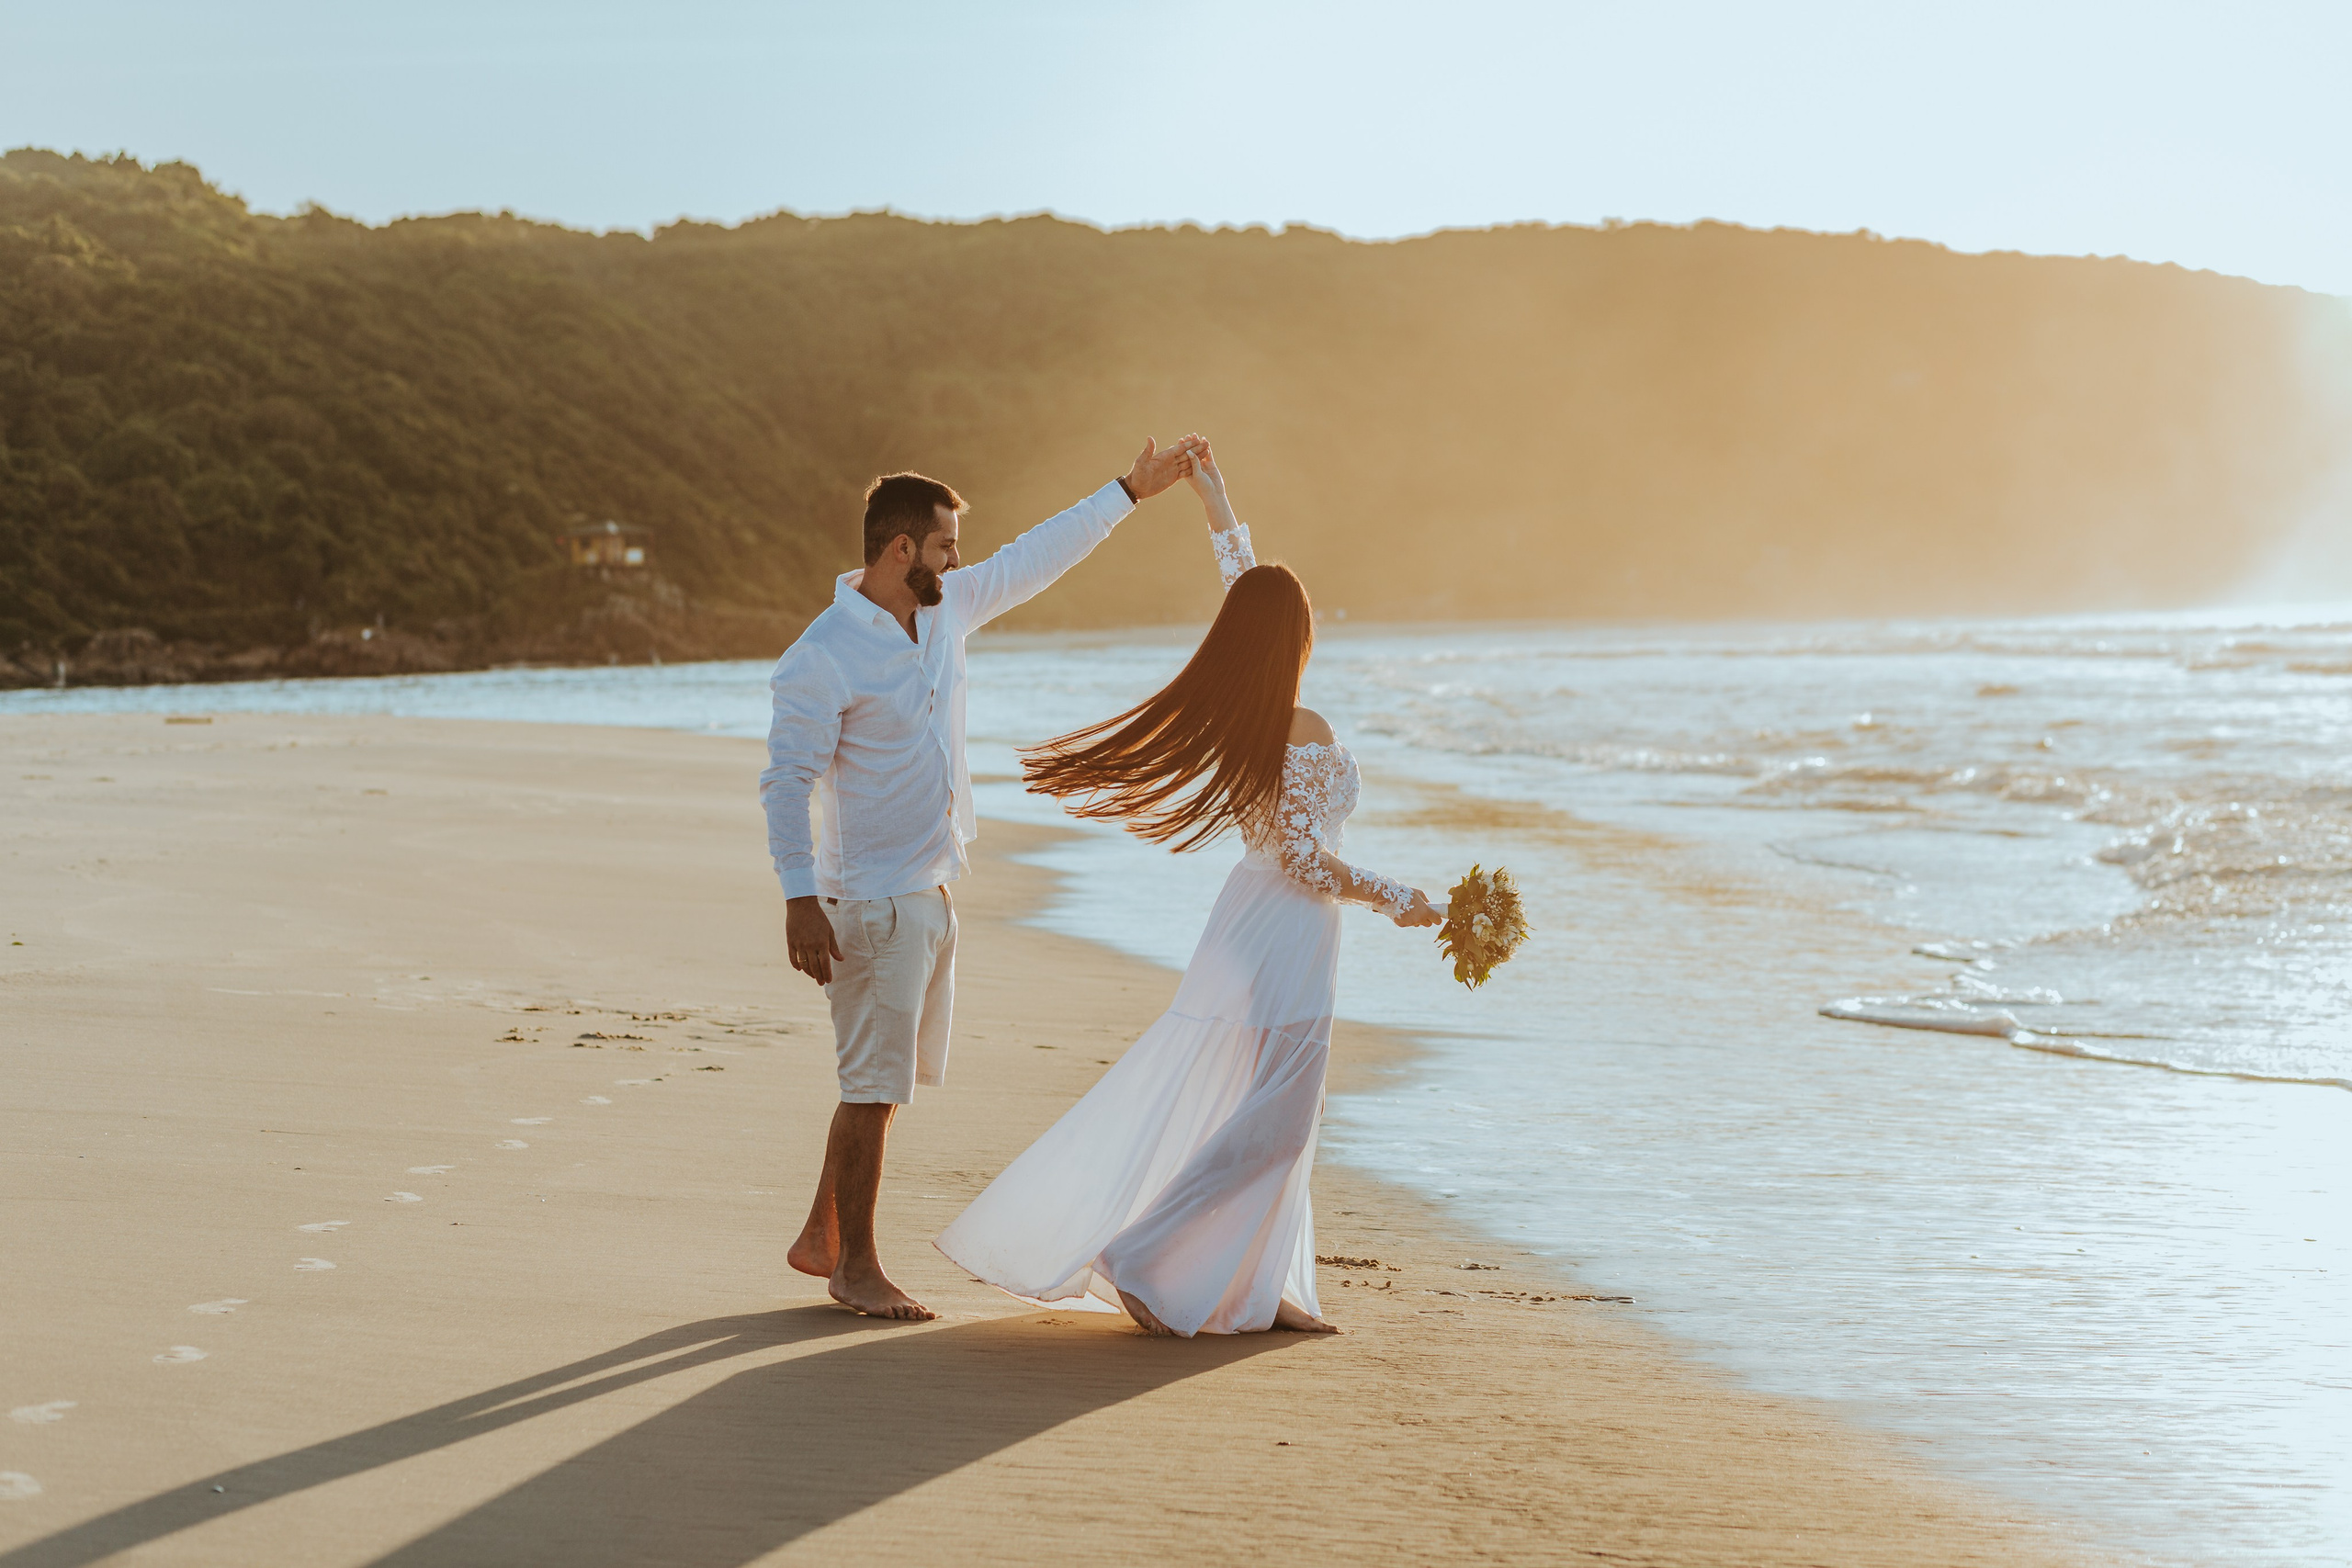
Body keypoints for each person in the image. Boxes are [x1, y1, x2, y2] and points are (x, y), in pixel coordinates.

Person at [935, 442, 1442, 1337]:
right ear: (1298, 636)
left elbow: (1245, 593)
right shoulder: (1300, 724)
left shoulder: (1251, 710)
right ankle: (1142, 1251)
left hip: (1249, 924)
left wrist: (1217, 502)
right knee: (1282, 1119)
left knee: (1271, 1108)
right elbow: (1304, 859)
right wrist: (1400, 898)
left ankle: (1265, 1285)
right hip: (1288, 932)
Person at [762, 437, 1206, 1322]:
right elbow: (786, 782)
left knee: (883, 1082)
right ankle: (857, 1269)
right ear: (902, 550)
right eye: (945, 546)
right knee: (870, 1089)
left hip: (930, 889)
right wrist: (800, 898)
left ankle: (823, 1237)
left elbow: (1036, 557)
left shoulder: (946, 610)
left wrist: (1128, 491)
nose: (959, 561)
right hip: (870, 901)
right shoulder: (821, 655)